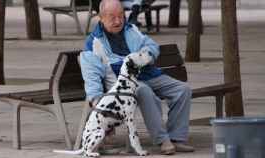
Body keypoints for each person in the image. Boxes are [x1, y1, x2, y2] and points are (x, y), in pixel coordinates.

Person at [80, 0, 194, 155]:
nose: (118, 21)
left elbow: (151, 46)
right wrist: (97, 103)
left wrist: (147, 54)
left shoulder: (131, 29)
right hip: (125, 85)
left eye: (121, 15)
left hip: (149, 73)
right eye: (112, 17)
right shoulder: (93, 43)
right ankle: (163, 140)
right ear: (101, 17)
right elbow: (91, 76)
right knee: (144, 91)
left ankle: (176, 138)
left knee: (183, 89)